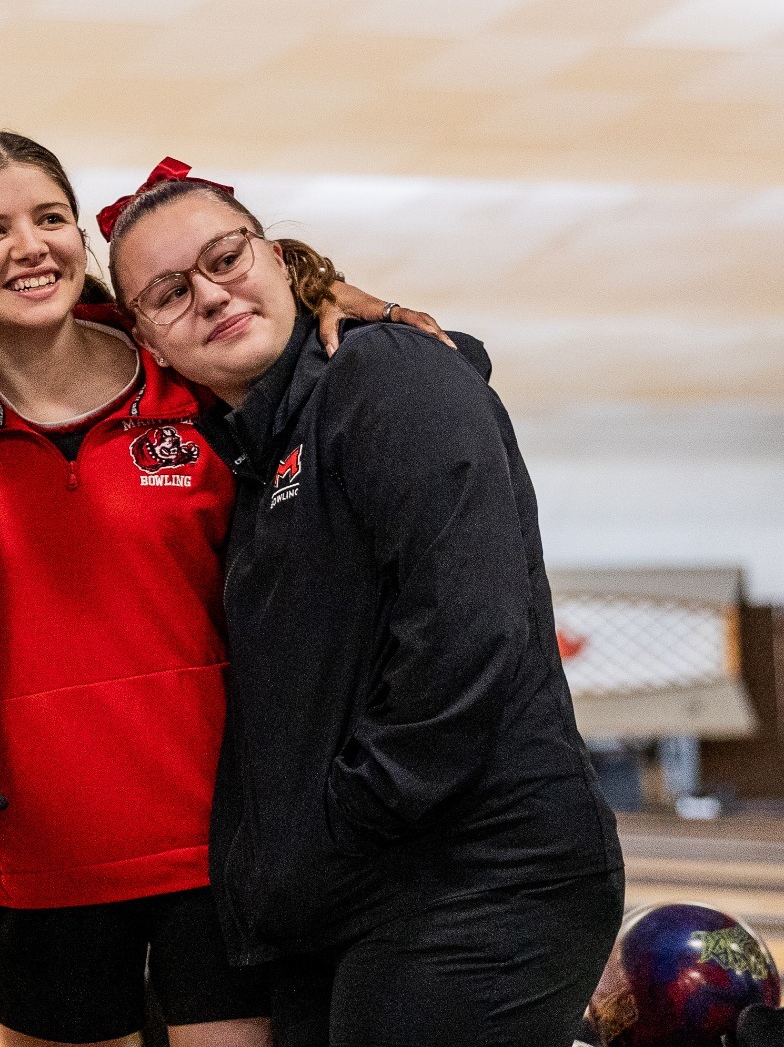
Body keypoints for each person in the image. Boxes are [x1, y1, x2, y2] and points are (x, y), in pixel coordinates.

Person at [104, 163, 624, 1047]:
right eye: (168, 291)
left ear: (277, 258)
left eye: (226, 257)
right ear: (147, 340)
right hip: (355, 894)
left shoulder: (383, 374)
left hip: (476, 873)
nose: (210, 293)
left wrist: (346, 815)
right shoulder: (259, 452)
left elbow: (468, 630)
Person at [0, 135, 270, 1047]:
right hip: (35, 866)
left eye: (50, 218)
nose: (31, 246)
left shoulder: (193, 385)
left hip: (218, 850)